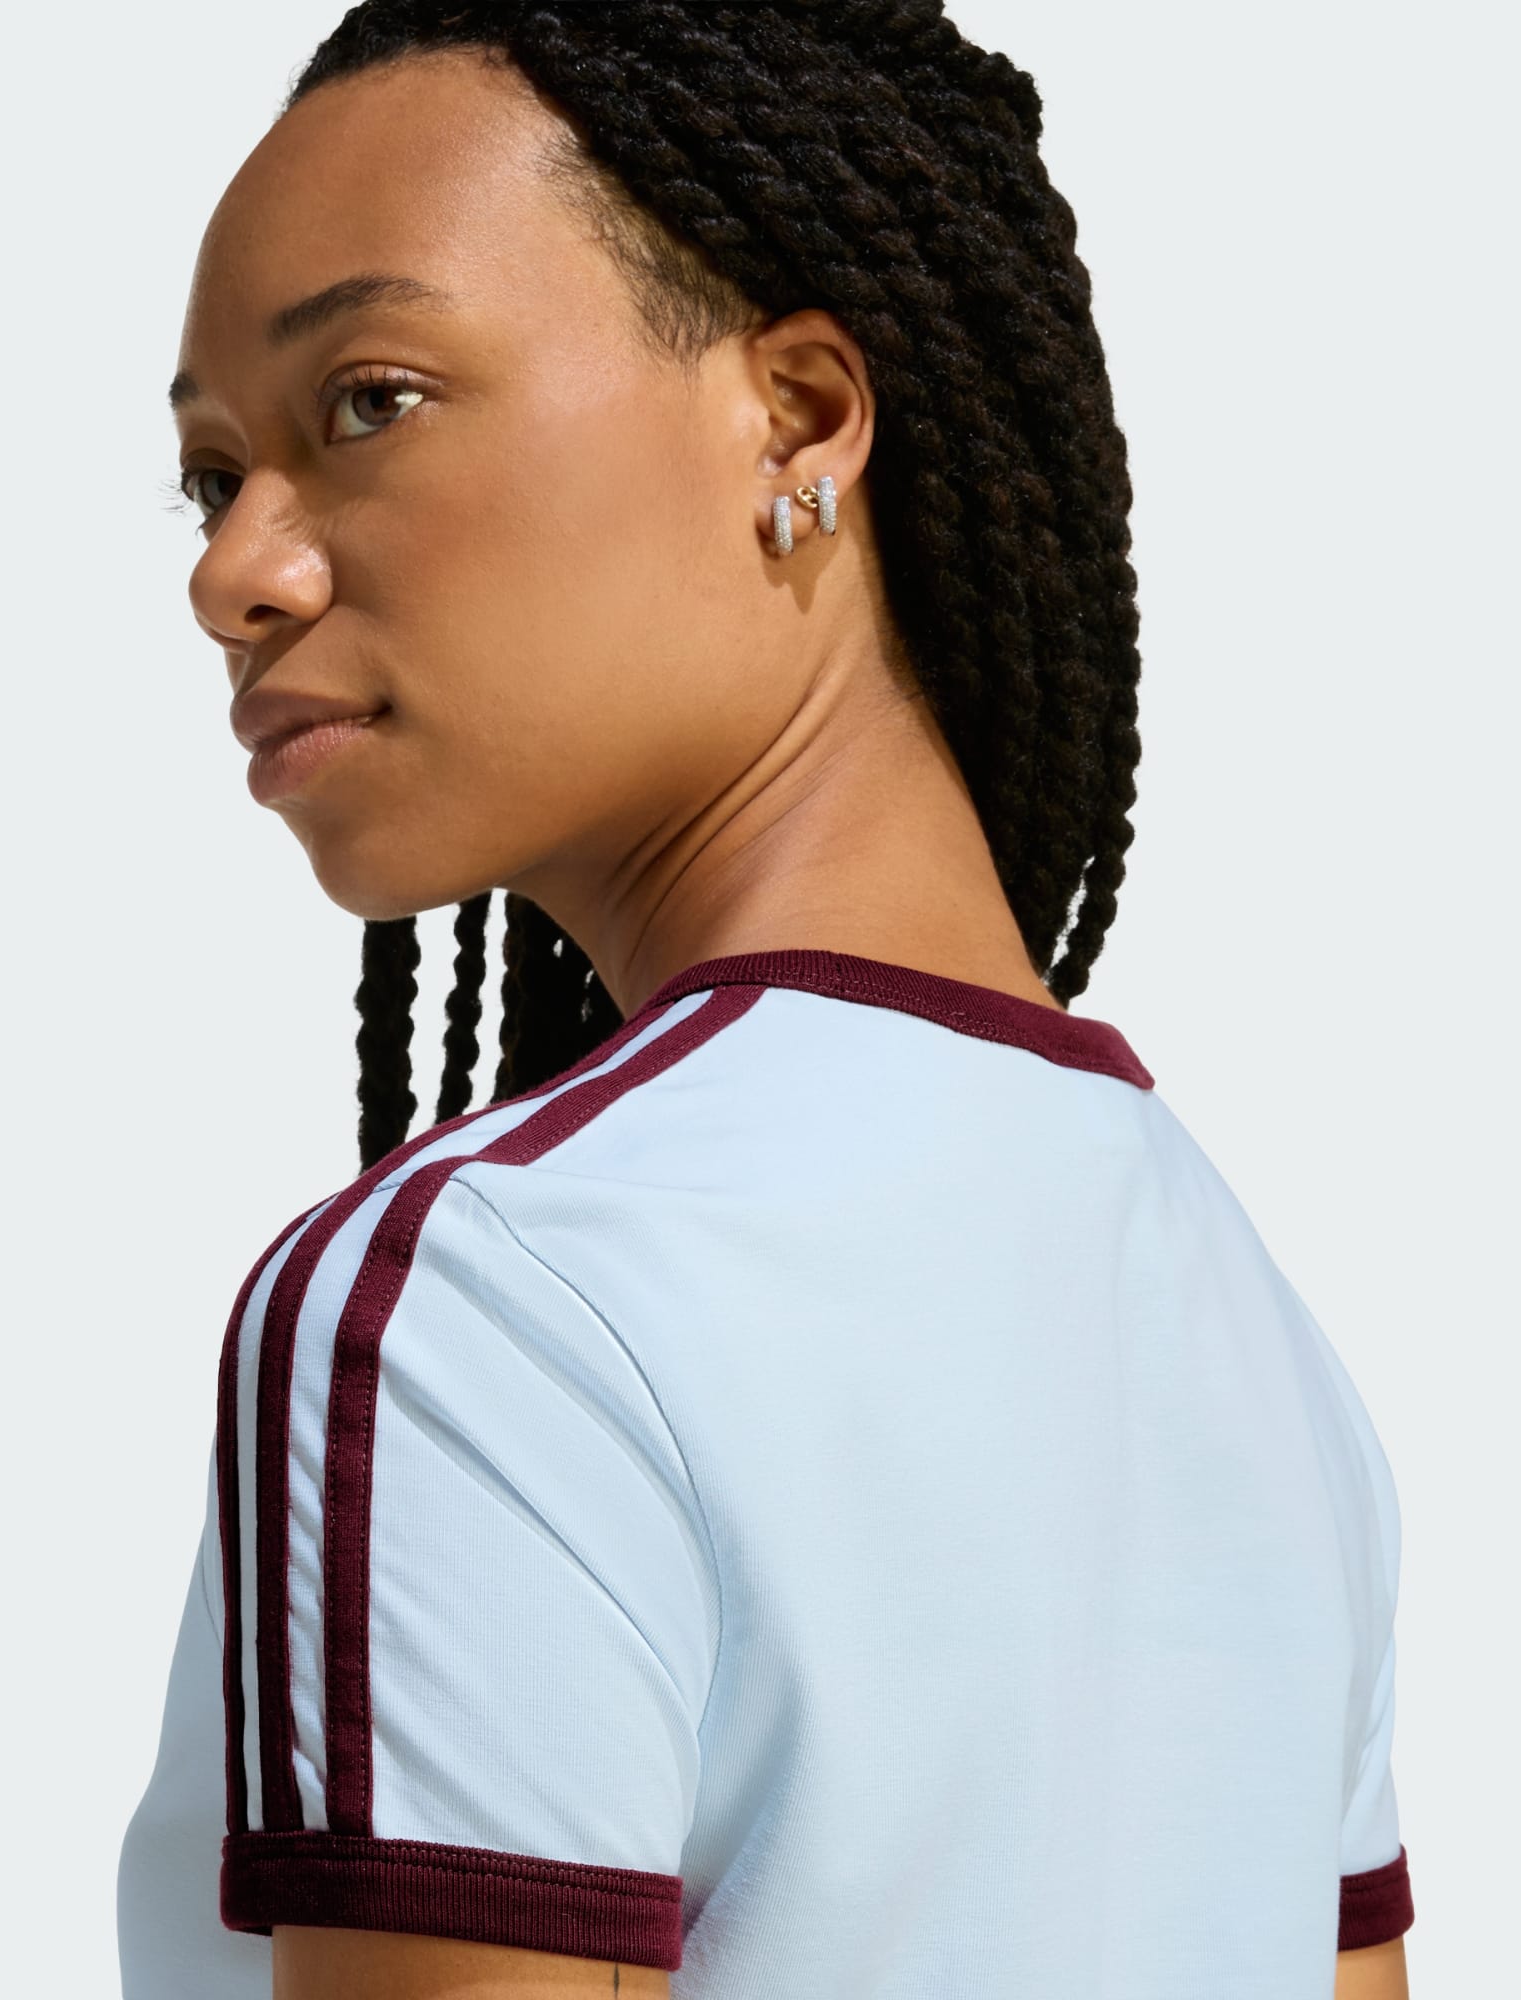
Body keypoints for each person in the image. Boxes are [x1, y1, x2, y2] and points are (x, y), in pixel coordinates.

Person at [117, 5, 1415, 1996]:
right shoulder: (1254, 1346)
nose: (234, 573)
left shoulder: (483, 1300)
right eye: (211, 476)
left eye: (370, 401)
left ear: (798, 420)